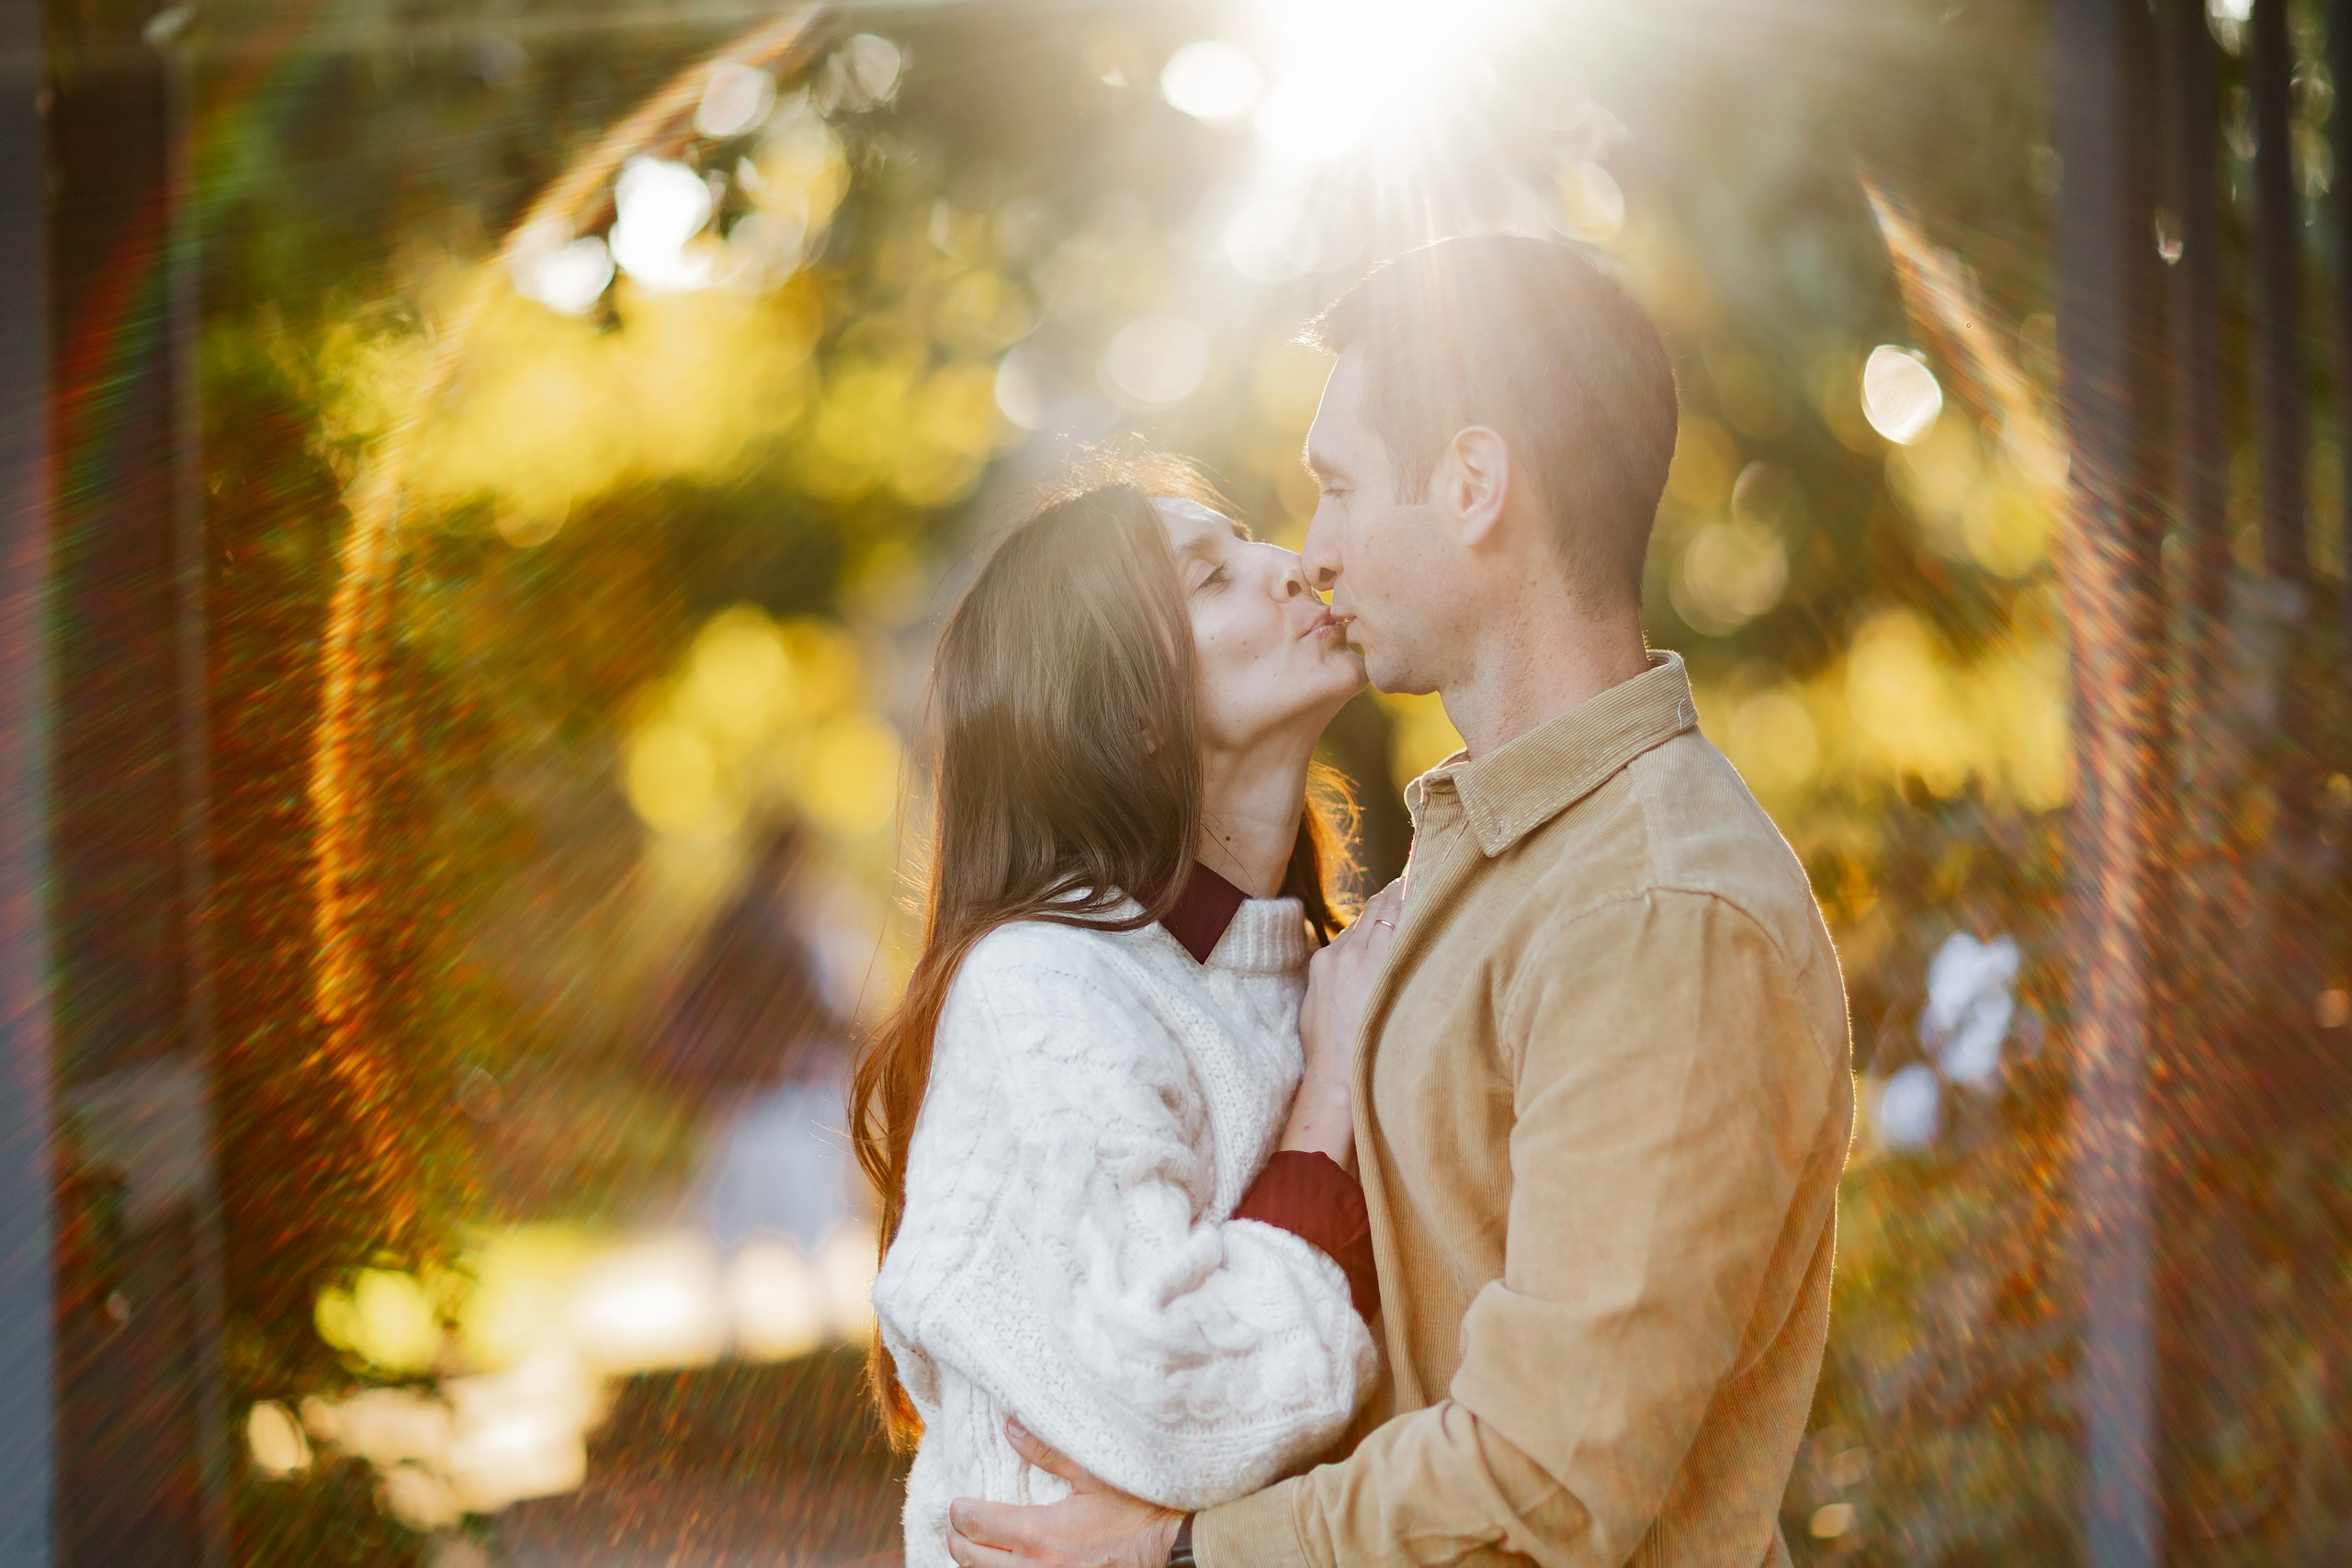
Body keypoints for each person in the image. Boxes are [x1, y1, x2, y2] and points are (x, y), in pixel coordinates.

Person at [942, 237, 1855, 1568]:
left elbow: (1549, 1483)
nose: (1312, 551)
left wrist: (1185, 1550)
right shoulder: (1483, 861)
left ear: (1473, 486)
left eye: (1338, 487)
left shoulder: (1656, 909)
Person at [854, 456, 1396, 1568]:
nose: (1292, 565)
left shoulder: (1318, 973)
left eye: (1249, 542)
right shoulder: (1041, 987)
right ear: (1131, 715)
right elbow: (1170, 1402)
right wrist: (1326, 1098)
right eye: (1211, 577)